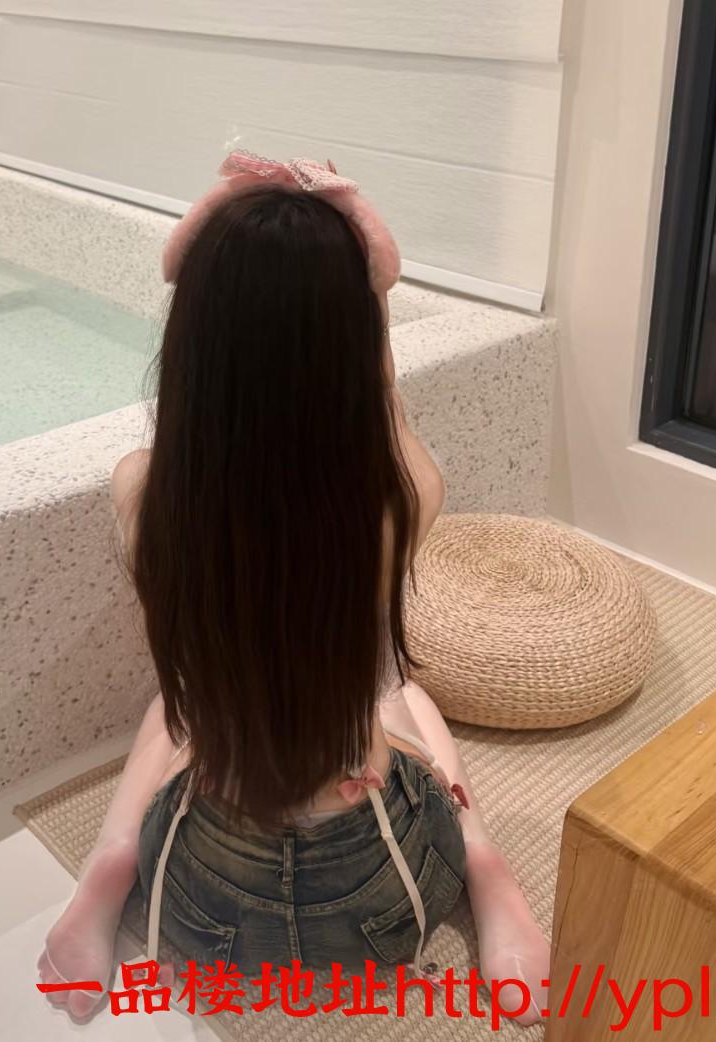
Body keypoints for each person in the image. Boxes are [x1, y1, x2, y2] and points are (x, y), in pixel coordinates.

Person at [37, 153, 549, 1023]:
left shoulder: (141, 493)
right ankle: (486, 866)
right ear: (357, 349)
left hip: (202, 896)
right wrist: (367, 297)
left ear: (190, 347)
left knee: (173, 704)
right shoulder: (402, 499)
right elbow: (382, 401)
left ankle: (109, 865)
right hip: (377, 893)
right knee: (404, 695)